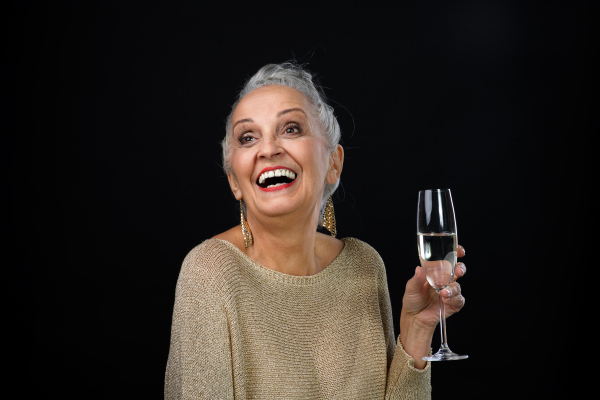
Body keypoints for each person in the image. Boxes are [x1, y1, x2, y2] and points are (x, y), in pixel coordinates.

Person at [165, 62, 466, 399]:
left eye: (291, 128)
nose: (268, 149)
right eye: (248, 137)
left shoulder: (365, 266)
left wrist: (418, 327)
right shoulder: (210, 273)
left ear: (333, 164)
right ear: (234, 181)